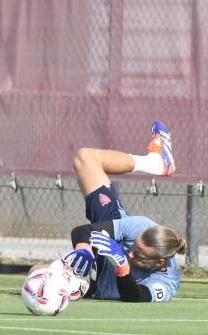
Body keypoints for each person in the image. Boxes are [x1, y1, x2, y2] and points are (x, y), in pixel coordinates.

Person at [61, 120, 187, 302]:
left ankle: (156, 162)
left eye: (139, 254)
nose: (130, 253)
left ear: (159, 263)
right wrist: (85, 251)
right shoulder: (141, 227)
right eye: (133, 247)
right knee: (84, 158)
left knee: (40, 273)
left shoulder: (166, 282)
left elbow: (134, 296)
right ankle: (155, 162)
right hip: (102, 253)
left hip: (95, 287)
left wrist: (122, 266)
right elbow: (83, 231)